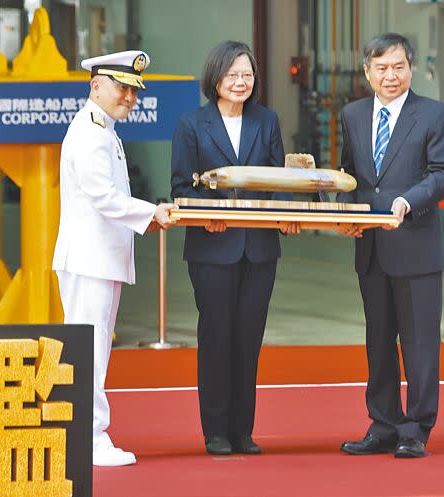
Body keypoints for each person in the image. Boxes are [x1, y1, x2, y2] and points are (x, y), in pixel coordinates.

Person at [171, 40, 299, 456]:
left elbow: (281, 181)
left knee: (248, 338)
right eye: (232, 75)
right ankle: (215, 431)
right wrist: (208, 212)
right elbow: (181, 186)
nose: (241, 82)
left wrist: (286, 214)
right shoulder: (192, 125)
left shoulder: (267, 120)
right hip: (213, 246)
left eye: (247, 75)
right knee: (216, 337)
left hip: (259, 249)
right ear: (216, 78)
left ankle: (243, 430)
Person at [336, 33, 444, 458]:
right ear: (367, 72)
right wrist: (346, 211)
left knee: (420, 342)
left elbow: (442, 173)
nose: (391, 75)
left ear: (412, 68)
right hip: (370, 249)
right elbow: (349, 174)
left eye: (398, 67)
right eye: (382, 68)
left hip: (416, 243)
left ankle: (416, 428)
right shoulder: (352, 115)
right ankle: (383, 423)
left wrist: (407, 201)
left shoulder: (434, 115)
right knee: (379, 339)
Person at [52, 50, 176, 467]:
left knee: (94, 346)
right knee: (90, 350)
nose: (129, 97)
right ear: (96, 85)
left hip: (98, 259)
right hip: (89, 260)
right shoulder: (89, 133)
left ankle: (85, 434)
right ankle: (90, 438)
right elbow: (102, 196)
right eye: (121, 87)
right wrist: (150, 213)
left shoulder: (103, 129)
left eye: (133, 90)